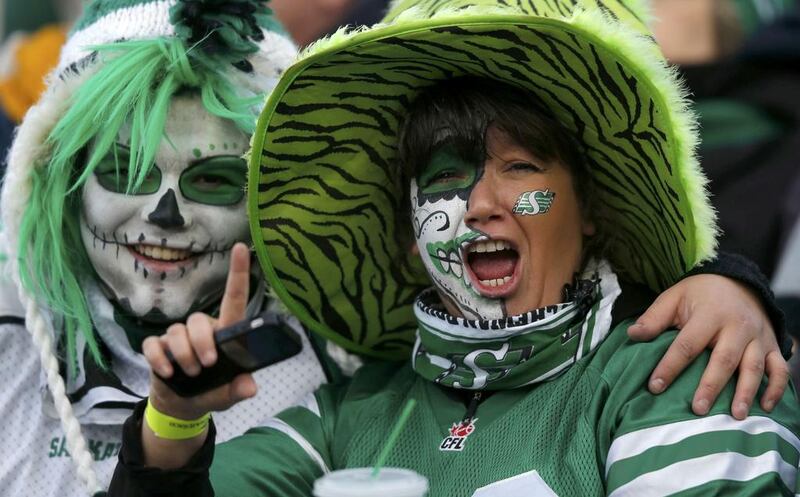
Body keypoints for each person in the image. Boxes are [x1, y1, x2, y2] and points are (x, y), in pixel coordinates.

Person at [108, 0, 800, 495]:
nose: (480, 204)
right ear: (411, 238)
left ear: (591, 209)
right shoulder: (349, 412)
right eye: (443, 179)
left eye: (521, 167)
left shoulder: (685, 369)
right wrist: (174, 417)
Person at [0, 1, 335, 495]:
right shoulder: (12, 338)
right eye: (128, 170)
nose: (165, 214)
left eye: (214, 180)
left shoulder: (335, 355)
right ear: (65, 181)